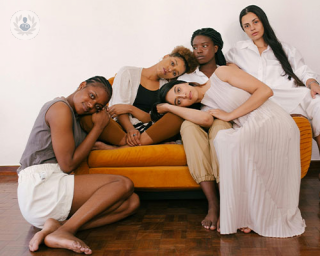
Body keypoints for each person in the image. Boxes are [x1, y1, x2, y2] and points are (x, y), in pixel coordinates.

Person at [152, 64, 306, 237]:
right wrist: (169, 107)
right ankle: (245, 213)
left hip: (270, 120)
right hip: (251, 126)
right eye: (178, 100)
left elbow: (265, 91)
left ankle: (244, 213)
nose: (182, 95)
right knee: (228, 141)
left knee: (228, 141)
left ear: (187, 83)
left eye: (179, 89)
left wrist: (230, 115)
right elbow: (204, 119)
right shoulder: (205, 107)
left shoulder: (221, 73)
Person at [17, 76, 140, 254]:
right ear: (82, 85)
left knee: (131, 203)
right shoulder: (60, 108)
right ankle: (66, 231)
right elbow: (67, 164)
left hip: (52, 183)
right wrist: (98, 128)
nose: (91, 105)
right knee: (123, 184)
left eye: (97, 105)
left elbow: (87, 149)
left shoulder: (76, 118)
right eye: (91, 96)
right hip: (39, 188)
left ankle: (56, 227)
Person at [225, 5, 320, 152]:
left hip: (287, 96)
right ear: (244, 30)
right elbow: (226, 70)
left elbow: (302, 70)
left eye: (255, 22)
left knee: (317, 101)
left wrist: (312, 83)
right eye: (247, 25)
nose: (252, 28)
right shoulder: (237, 51)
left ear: (263, 21)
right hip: (260, 99)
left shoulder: (284, 48)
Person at [80, 46, 198, 149]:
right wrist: (131, 129)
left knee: (176, 116)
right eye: (172, 63)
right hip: (120, 128)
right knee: (88, 118)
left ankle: (117, 148)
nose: (170, 70)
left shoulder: (165, 88)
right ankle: (141, 143)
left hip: (147, 131)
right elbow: (118, 109)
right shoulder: (128, 72)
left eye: (174, 73)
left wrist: (131, 109)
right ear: (166, 56)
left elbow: (152, 118)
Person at [178, 28, 232, 231]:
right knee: (188, 128)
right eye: (195, 47)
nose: (198, 50)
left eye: (204, 45)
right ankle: (213, 203)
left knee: (220, 131)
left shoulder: (226, 70)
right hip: (197, 119)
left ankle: (227, 201)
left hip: (222, 117)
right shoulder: (187, 76)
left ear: (216, 47)